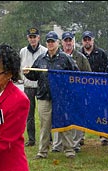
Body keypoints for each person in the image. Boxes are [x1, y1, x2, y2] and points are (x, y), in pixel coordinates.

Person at [24, 31, 80, 160]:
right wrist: (28, 72)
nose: (50, 44)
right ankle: (42, 151)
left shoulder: (65, 58)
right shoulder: (41, 59)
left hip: (61, 98)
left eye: (52, 41)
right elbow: (34, 76)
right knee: (45, 126)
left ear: (58, 43)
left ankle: (69, 150)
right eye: (48, 42)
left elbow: (75, 75)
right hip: (44, 96)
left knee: (64, 124)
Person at [52, 31, 91, 153]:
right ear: (62, 42)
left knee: (76, 119)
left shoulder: (81, 57)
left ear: (73, 41)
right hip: (60, 94)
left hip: (76, 93)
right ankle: (57, 145)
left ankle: (75, 144)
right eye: (66, 40)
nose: (68, 43)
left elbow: (88, 75)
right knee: (59, 119)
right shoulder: (56, 56)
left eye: (70, 40)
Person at [80, 30, 108, 147]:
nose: (87, 42)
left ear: (93, 40)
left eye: (89, 39)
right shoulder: (79, 54)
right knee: (82, 112)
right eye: (85, 40)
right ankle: (80, 137)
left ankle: (104, 136)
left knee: (102, 112)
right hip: (83, 88)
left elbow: (106, 71)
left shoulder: (101, 53)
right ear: (82, 41)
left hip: (98, 88)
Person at [20, 27, 47, 147]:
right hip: (28, 86)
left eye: (34, 37)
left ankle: (47, 138)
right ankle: (31, 139)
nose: (32, 40)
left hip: (41, 86)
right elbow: (20, 68)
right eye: (30, 37)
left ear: (38, 38)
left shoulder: (44, 51)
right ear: (28, 38)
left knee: (44, 114)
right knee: (29, 114)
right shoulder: (23, 52)